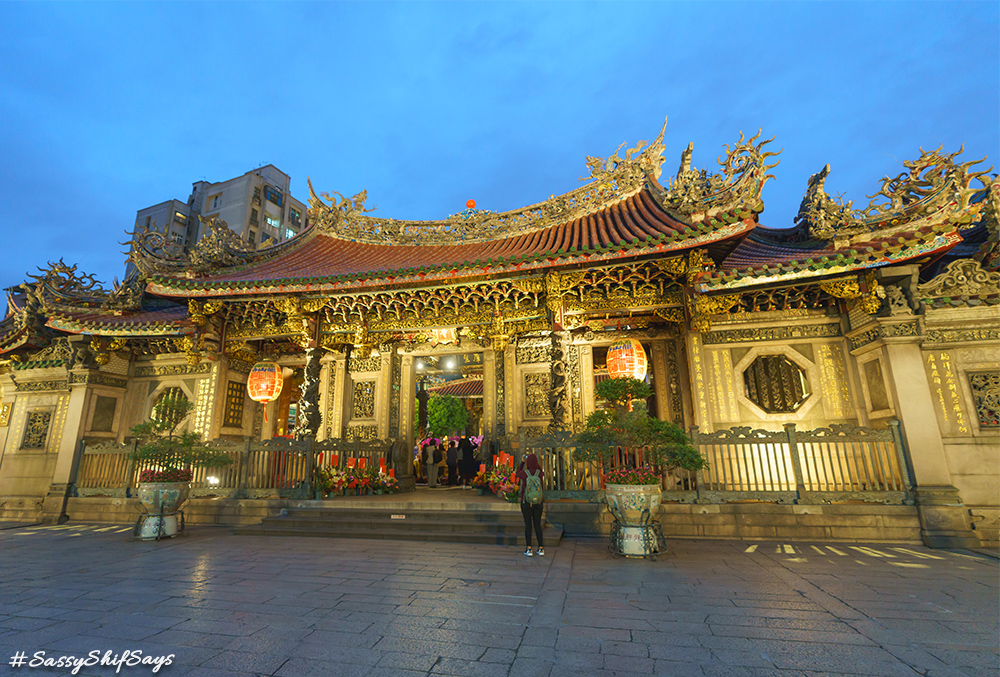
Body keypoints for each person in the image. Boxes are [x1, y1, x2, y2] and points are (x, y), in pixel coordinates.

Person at [515, 453, 545, 556]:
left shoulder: (524, 473)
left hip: (526, 502)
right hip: (538, 502)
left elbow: (517, 473)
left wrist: (522, 462)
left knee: (528, 524)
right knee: (537, 525)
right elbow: (541, 471)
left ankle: (529, 549)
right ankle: (541, 548)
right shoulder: (539, 473)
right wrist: (537, 464)